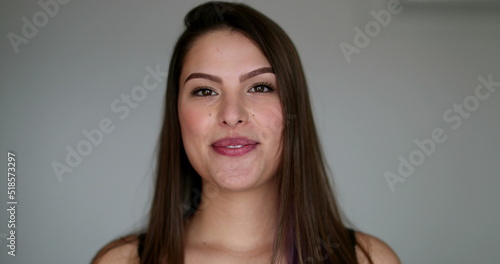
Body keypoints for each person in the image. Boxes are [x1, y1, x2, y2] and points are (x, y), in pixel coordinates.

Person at [92, 1, 401, 263]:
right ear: (178, 115)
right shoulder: (121, 261)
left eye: (260, 87)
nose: (231, 115)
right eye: (204, 91)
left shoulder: (368, 259)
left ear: (293, 110)